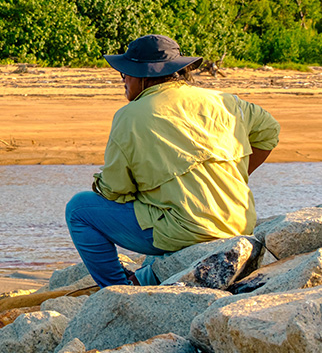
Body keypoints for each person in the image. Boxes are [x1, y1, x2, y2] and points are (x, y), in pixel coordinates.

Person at [65, 34, 280, 287]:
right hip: (239, 222)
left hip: (189, 230)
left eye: (125, 73)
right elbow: (269, 132)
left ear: (142, 75)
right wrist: (235, 175)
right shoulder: (225, 101)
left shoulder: (129, 116)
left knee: (79, 209)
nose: (122, 80)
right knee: (160, 206)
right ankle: (146, 278)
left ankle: (117, 291)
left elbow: (115, 190)